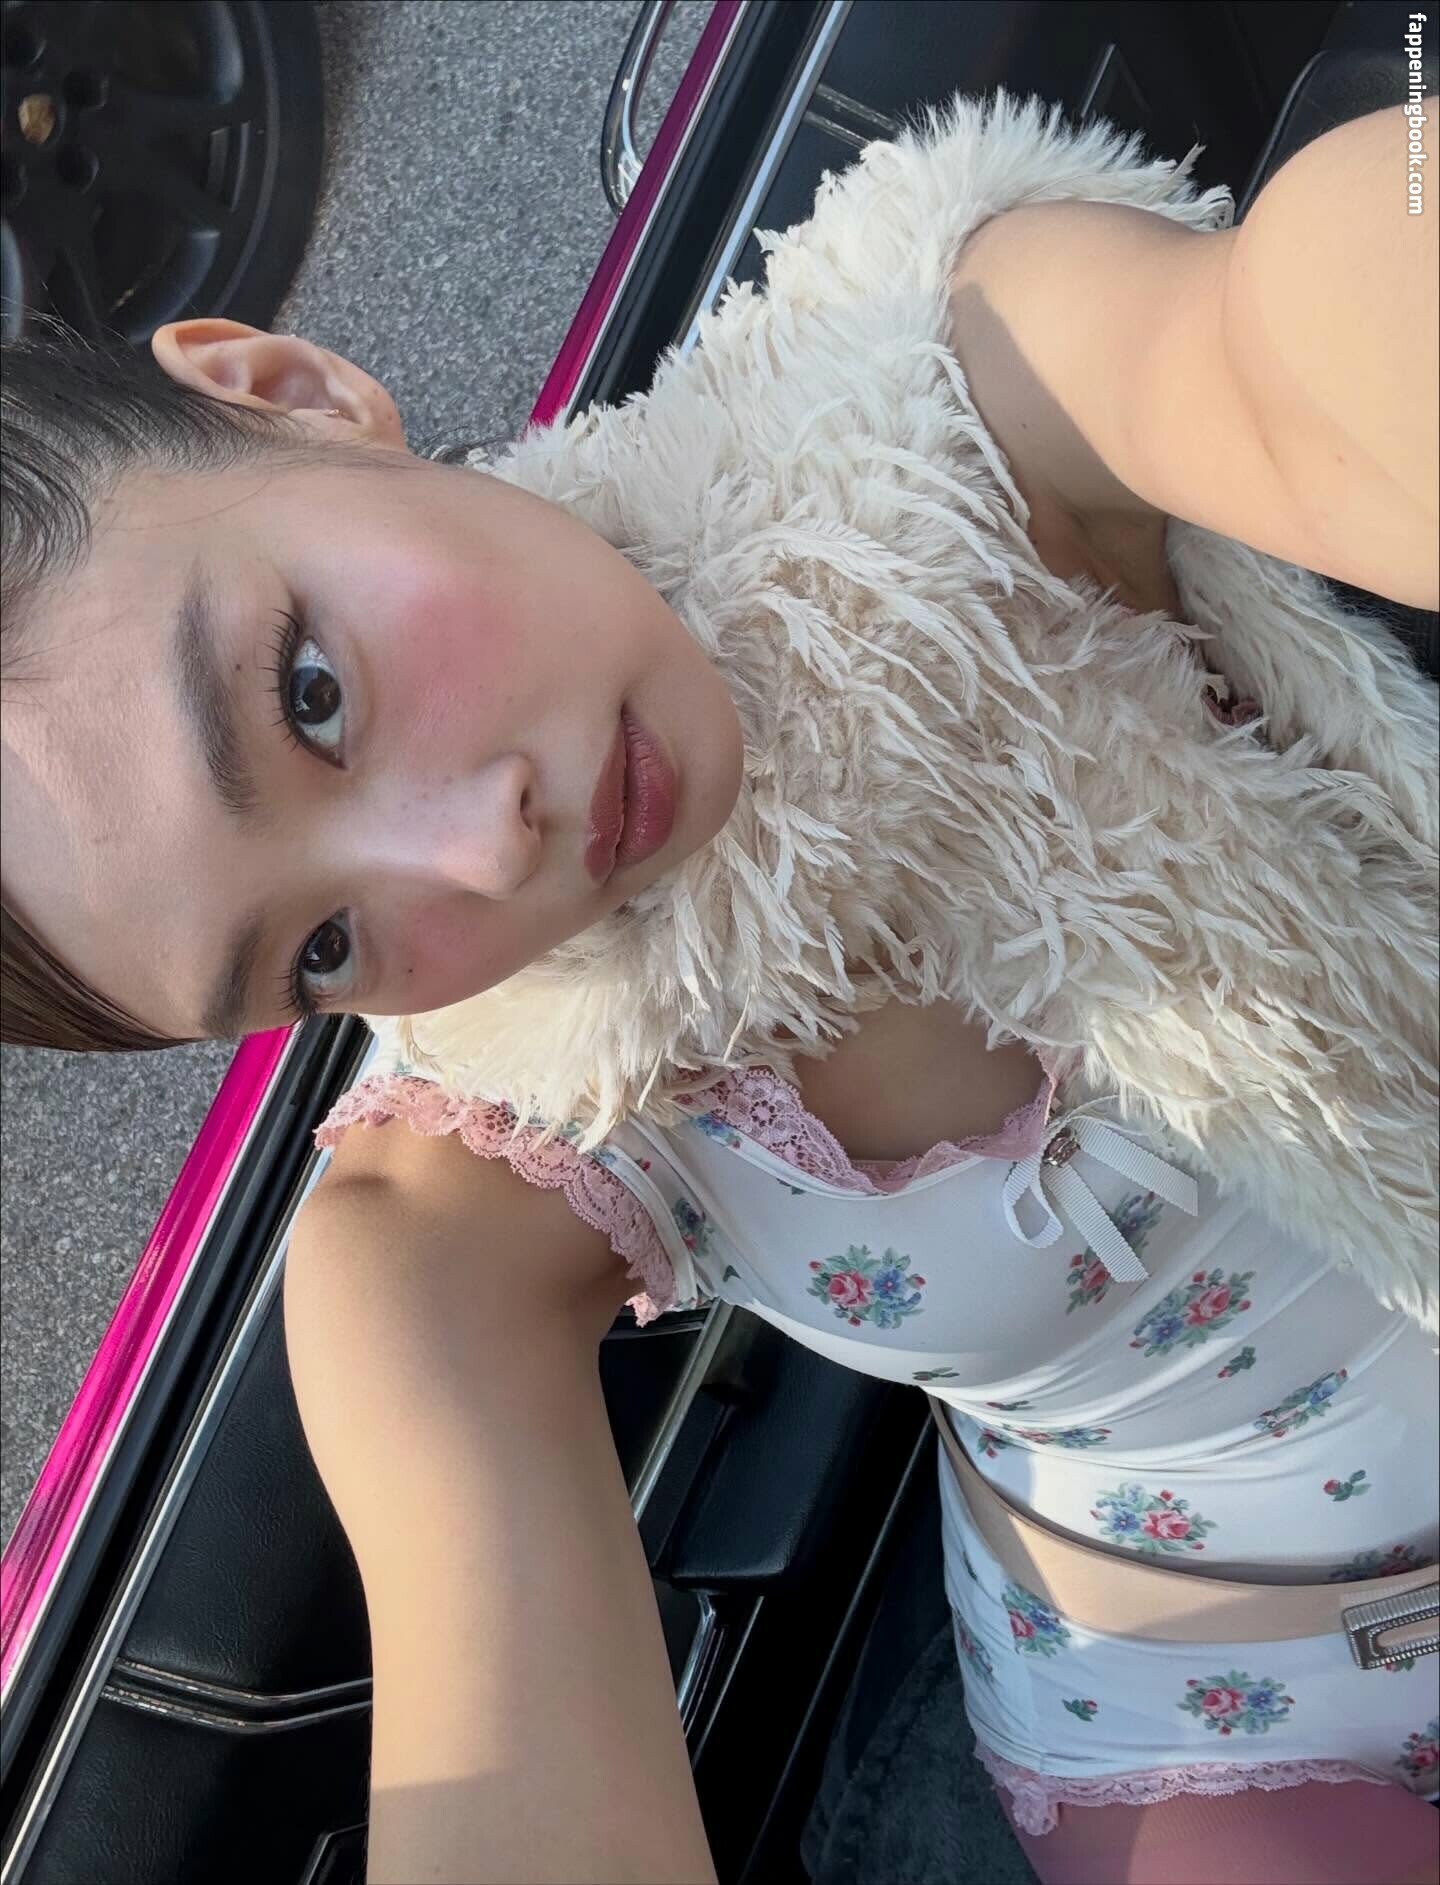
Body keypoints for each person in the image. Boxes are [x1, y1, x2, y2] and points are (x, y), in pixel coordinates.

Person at [3, 88, 1437, 1885]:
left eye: (310, 692)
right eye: (320, 949)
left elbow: (1282, 362)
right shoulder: (491, 1154)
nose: (478, 856)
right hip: (1212, 1697)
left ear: (282, 394)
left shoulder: (922, 396)